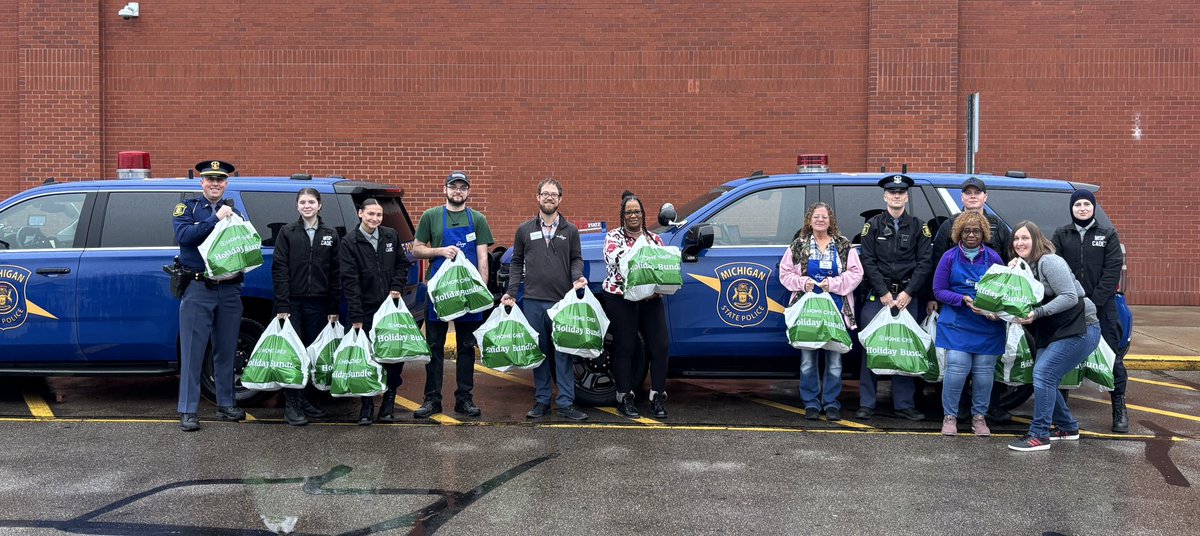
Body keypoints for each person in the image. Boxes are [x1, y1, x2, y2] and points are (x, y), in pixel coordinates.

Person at [1007, 221, 1101, 452]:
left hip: (1081, 326)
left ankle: (1039, 435)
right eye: (1016, 239)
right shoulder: (1023, 266)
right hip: (1054, 330)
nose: (1019, 243)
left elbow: (1069, 296)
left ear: (1037, 239)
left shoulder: (1049, 261)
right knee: (1043, 376)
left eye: (1025, 238)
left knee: (1044, 373)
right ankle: (1068, 428)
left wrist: (1038, 313)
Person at [500, 178, 589, 421]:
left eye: (554, 194)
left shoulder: (570, 231)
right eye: (545, 193)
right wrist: (511, 292)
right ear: (538, 197)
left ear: (560, 199)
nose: (549, 197)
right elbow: (516, 262)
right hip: (532, 300)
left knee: (563, 353)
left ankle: (566, 403)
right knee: (539, 354)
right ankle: (541, 401)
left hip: (561, 302)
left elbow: (576, 259)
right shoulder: (524, 230)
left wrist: (577, 277)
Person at [927, 177, 1013, 423]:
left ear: (985, 197)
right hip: (958, 318)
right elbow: (935, 267)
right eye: (968, 193)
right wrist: (949, 298)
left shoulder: (997, 237)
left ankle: (983, 414)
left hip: (988, 320)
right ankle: (954, 413)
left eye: (977, 192)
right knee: (956, 367)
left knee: (985, 370)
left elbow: (1008, 272)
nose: (971, 234)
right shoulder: (949, 239)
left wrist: (998, 309)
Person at [172, 160, 247, 432]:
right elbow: (185, 236)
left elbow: (243, 243)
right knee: (193, 351)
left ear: (226, 183)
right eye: (210, 179)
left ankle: (226, 404)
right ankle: (188, 410)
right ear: (201, 182)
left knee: (226, 349)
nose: (215, 184)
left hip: (229, 289)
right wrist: (215, 218)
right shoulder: (188, 208)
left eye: (220, 180)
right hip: (198, 288)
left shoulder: (235, 211)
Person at [411, 171, 494, 418]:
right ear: (445, 189)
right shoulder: (431, 216)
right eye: (453, 186)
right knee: (434, 345)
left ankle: (464, 399)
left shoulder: (478, 219)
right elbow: (417, 250)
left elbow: (482, 256)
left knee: (466, 347)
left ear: (468, 191)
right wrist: (440, 251)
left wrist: (482, 289)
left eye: (462, 187)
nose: (458, 191)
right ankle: (432, 399)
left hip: (468, 291)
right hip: (440, 293)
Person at [1051, 189, 1128, 433]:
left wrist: (1094, 301)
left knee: (1113, 359)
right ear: (1071, 208)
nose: (1082, 208)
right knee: (1063, 358)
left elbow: (1112, 270)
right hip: (1070, 308)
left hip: (1103, 308)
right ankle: (1061, 414)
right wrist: (1075, 300)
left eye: (1087, 204)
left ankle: (1119, 409)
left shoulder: (1107, 234)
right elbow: (1056, 268)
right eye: (1078, 205)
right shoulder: (1061, 234)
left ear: (1093, 207)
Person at [856, 174, 932, 421]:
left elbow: (925, 263)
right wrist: (883, 292)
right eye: (892, 192)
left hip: (908, 297)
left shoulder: (919, 227)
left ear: (906, 197)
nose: (896, 196)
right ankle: (867, 403)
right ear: (885, 196)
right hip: (878, 296)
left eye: (901, 193)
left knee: (904, 348)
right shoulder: (873, 226)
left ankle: (904, 405)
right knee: (872, 346)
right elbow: (867, 260)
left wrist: (909, 293)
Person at [779, 202, 863, 421]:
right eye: (816, 216)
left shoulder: (843, 245)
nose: (820, 220)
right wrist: (802, 282)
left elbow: (856, 273)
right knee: (808, 360)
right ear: (809, 220)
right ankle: (811, 402)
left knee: (835, 361)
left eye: (824, 217)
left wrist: (833, 284)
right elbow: (785, 273)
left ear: (830, 220)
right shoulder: (798, 245)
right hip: (807, 310)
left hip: (836, 309)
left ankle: (832, 403)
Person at [339, 198, 411, 425]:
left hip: (389, 309)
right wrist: (356, 316)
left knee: (394, 356)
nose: (375, 218)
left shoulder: (391, 236)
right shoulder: (349, 242)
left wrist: (396, 287)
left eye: (379, 215)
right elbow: (349, 281)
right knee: (367, 356)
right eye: (370, 214)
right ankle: (367, 404)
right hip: (365, 310)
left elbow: (402, 264)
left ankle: (388, 402)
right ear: (360, 214)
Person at [271, 187, 338, 426]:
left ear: (320, 205)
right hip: (292, 304)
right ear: (297, 205)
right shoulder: (287, 232)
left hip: (319, 304)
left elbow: (336, 272)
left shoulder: (330, 233)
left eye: (311, 202)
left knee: (311, 353)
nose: (307, 206)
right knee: (293, 353)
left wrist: (333, 307)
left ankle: (306, 400)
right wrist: (282, 304)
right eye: (303, 202)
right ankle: (292, 405)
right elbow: (279, 268)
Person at [602, 191, 670, 418]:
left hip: (651, 300)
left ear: (643, 214)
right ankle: (624, 397)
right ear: (622, 215)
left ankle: (658, 397)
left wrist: (661, 283)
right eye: (629, 212)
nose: (633, 215)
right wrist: (646, 259)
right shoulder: (613, 238)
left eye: (637, 211)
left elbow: (663, 269)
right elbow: (620, 260)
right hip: (621, 299)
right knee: (625, 347)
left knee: (660, 347)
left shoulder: (655, 240)